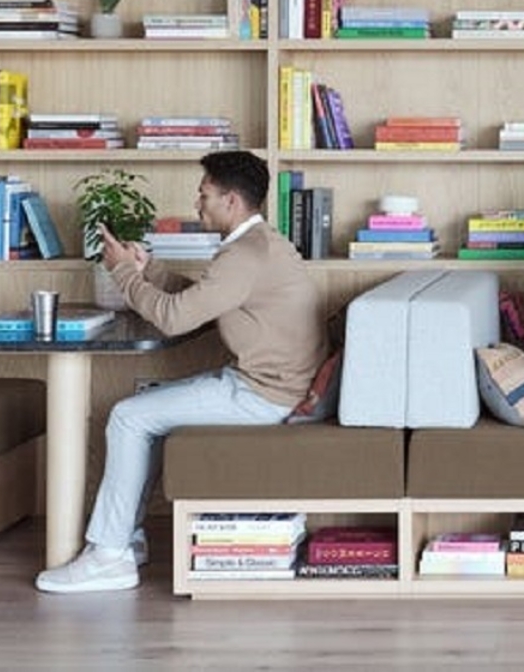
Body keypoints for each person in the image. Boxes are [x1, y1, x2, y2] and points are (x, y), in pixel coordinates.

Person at [36, 150, 325, 593]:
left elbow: (173, 318)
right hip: (269, 385)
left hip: (265, 396)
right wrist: (148, 270)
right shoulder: (259, 244)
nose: (197, 203)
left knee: (128, 417)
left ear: (230, 201)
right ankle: (125, 540)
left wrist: (122, 272)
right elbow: (206, 300)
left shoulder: (244, 255)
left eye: (204, 194)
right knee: (143, 412)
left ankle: (108, 556)